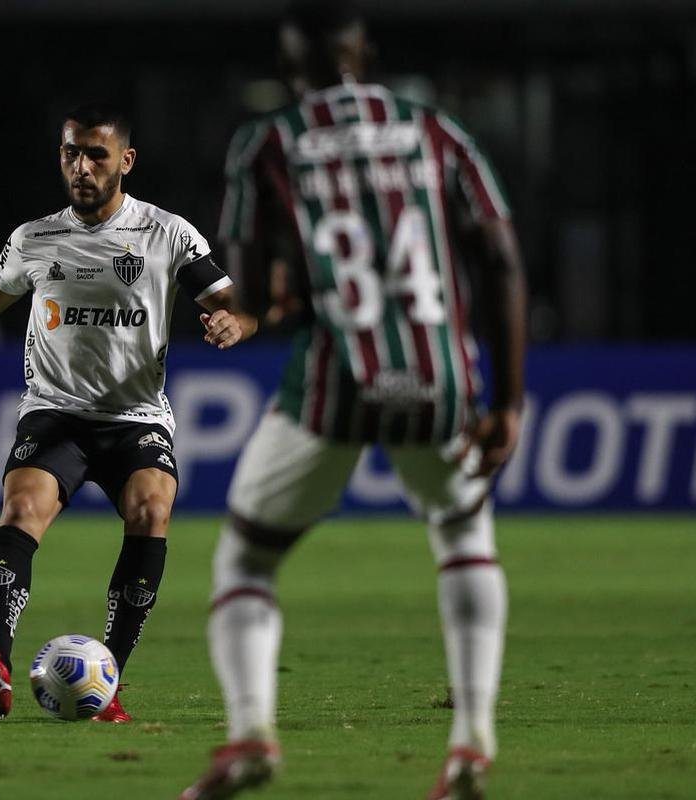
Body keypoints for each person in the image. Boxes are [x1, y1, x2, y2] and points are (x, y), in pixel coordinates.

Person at [180, 4, 526, 799]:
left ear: (290, 66)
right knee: (464, 533)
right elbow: (501, 259)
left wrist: (270, 300)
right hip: (439, 373)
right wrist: (507, 399)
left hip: (338, 374)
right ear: (363, 53)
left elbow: (244, 288)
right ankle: (471, 746)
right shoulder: (435, 130)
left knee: (246, 556)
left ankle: (251, 736)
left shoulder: (267, 142)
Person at [0, 103, 257, 723]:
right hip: (56, 412)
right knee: (22, 508)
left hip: (137, 416)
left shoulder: (167, 234)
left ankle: (107, 680)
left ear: (126, 162)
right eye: (70, 154)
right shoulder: (36, 239)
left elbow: (234, 302)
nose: (81, 167)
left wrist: (233, 322)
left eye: (96, 155)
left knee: (151, 509)